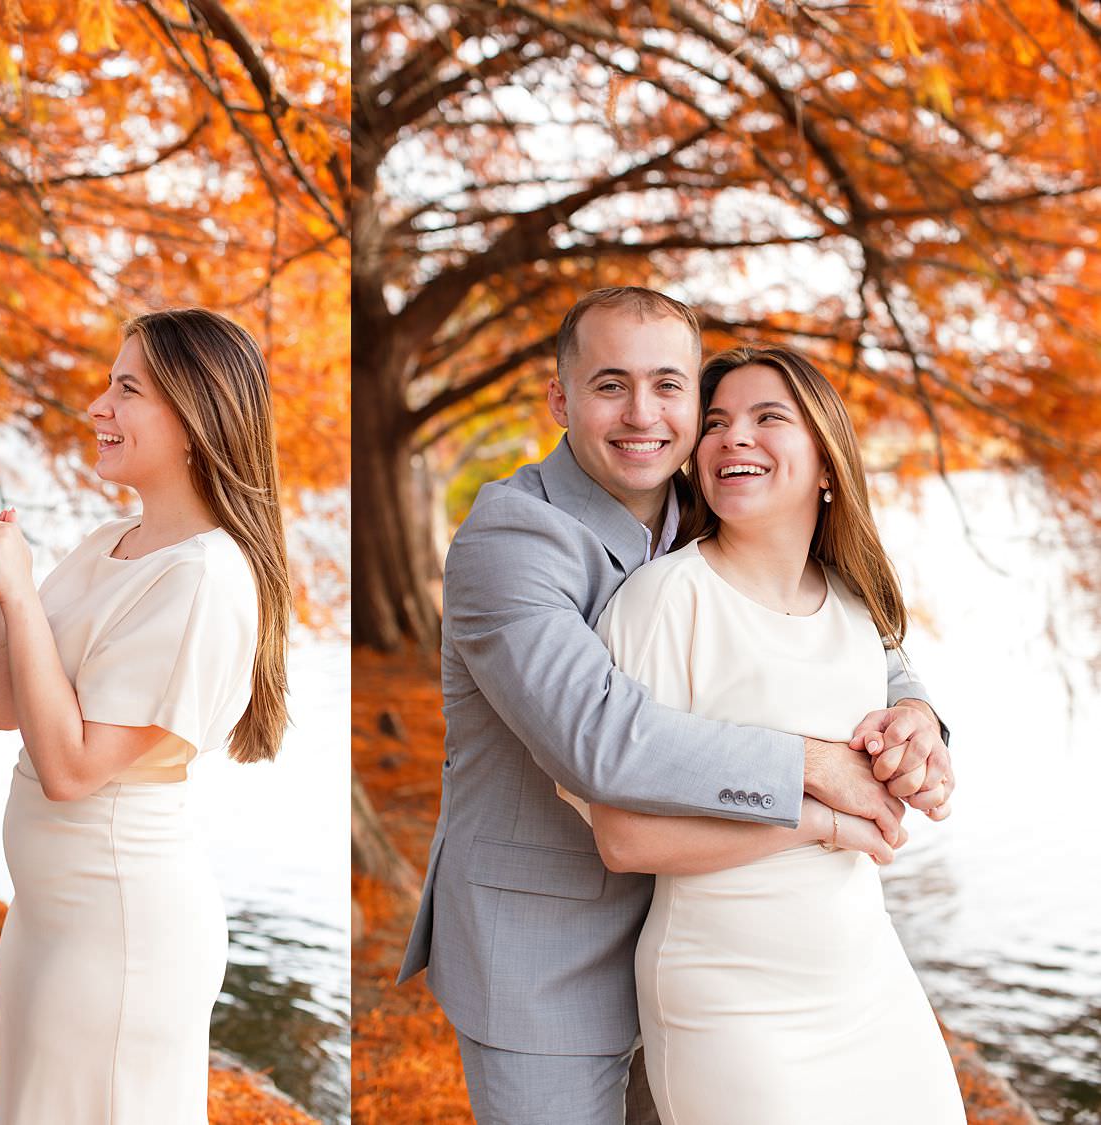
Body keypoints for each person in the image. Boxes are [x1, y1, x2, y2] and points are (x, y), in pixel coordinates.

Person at [398, 287, 954, 1125]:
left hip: (707, 933)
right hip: (550, 952)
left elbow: (820, 620)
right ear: (560, 398)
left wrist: (915, 712)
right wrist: (818, 772)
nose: (642, 414)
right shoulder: (510, 539)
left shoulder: (704, 503)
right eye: (609, 384)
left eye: (668, 385)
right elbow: (603, 738)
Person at [572, 343, 964, 1122]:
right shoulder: (664, 601)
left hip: (870, 976)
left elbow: (901, 730)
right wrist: (818, 819)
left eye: (766, 417)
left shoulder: (857, 610)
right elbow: (624, 838)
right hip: (729, 996)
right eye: (715, 422)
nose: (731, 436)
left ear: (826, 463)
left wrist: (922, 747)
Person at [0, 308, 292, 1124]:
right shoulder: (112, 539)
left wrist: (23, 589)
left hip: (120, 934)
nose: (98, 405)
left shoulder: (205, 578)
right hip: (46, 921)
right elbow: (11, 712)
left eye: (127, 388)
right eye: (109, 383)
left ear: (193, 420)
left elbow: (70, 769)